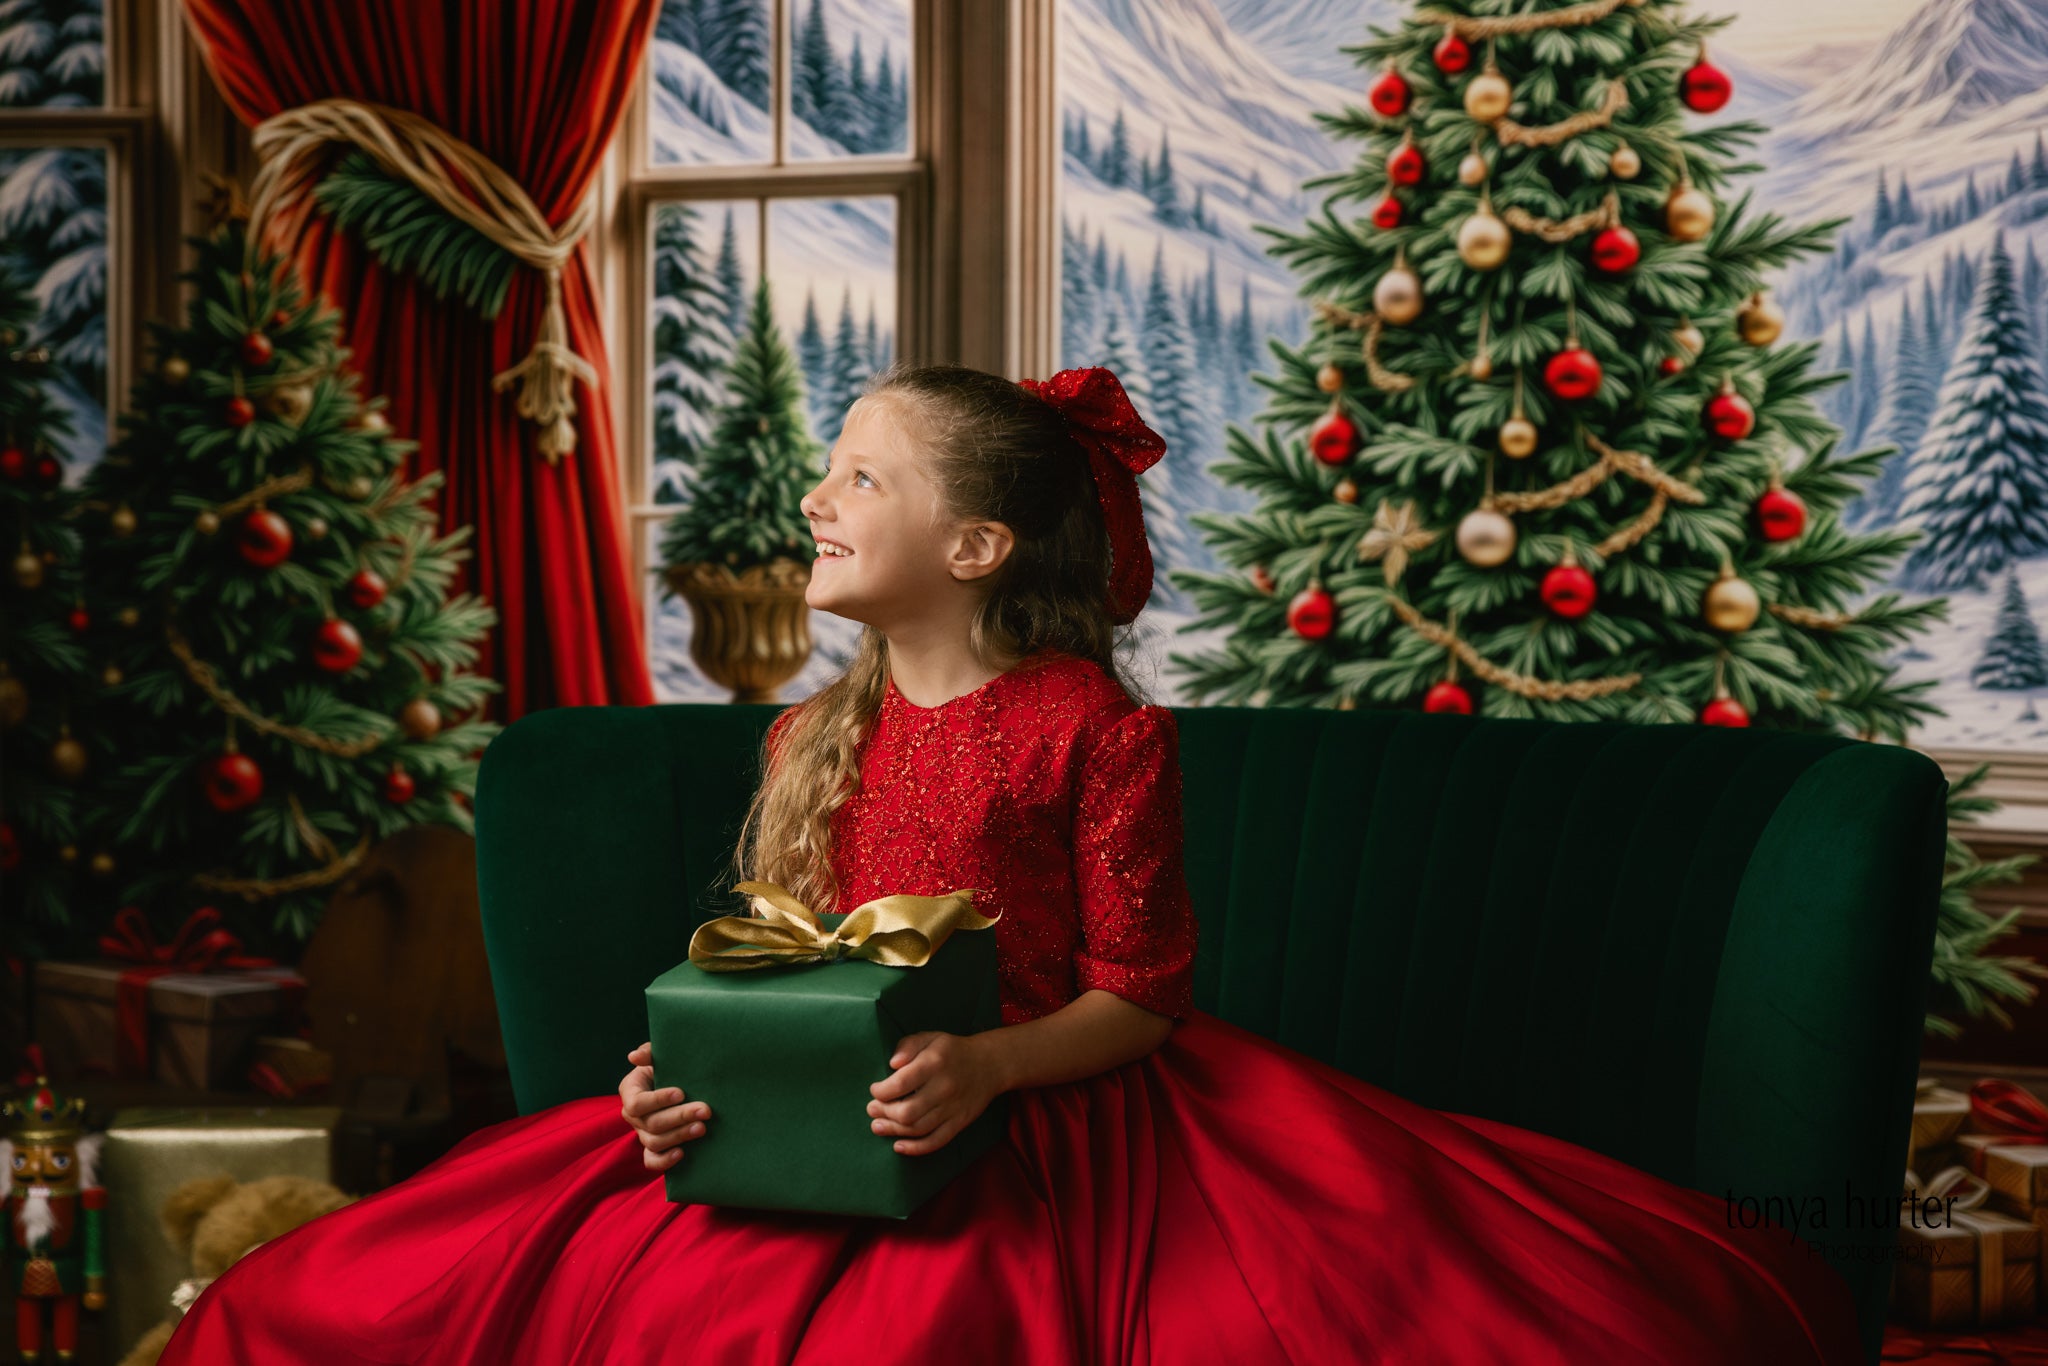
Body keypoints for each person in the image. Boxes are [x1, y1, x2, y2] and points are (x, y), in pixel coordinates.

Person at [159, 363, 1863, 1365]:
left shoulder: (1092, 733)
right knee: (364, 1293)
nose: (818, 498)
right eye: (829, 469)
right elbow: (790, 972)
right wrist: (680, 1081)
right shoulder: (803, 735)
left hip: (1046, 1116)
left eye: (860, 476)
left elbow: (1144, 995)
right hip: (829, 1124)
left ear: (972, 546)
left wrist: (985, 1062)